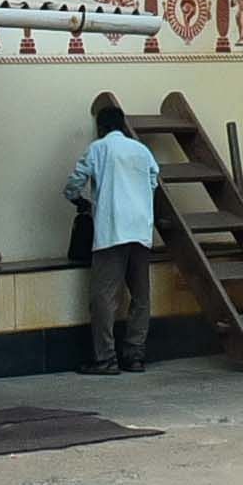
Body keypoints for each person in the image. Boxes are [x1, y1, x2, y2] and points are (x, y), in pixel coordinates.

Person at [65, 100, 163, 373]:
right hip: (141, 230)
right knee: (141, 296)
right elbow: (154, 180)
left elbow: (74, 182)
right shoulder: (141, 151)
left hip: (112, 230)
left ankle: (105, 359)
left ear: (101, 127)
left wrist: (79, 200)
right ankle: (135, 355)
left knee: (104, 297)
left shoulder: (99, 149)